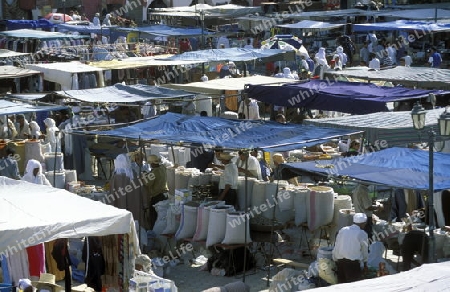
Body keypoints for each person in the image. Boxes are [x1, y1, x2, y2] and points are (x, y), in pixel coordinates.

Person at [332, 213, 369, 283]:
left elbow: (336, 246)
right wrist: (365, 264)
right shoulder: (362, 233)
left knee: (341, 285)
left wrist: (335, 259)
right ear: (363, 223)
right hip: (353, 265)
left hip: (340, 262)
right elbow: (365, 251)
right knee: (352, 286)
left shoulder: (343, 230)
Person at [144, 154, 168, 230]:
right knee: (162, 217)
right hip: (164, 195)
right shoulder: (163, 168)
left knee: (154, 217)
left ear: (152, 163)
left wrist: (143, 176)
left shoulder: (153, 173)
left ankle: (154, 233)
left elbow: (147, 184)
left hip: (156, 197)